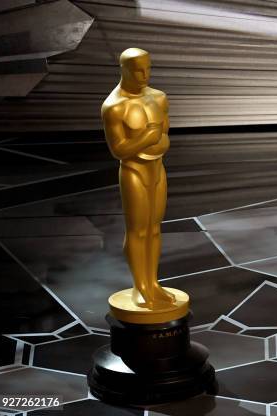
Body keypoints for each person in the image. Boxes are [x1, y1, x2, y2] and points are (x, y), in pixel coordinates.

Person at [102, 48, 176, 309]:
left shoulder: (159, 97)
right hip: (133, 171)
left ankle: (153, 282)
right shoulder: (114, 107)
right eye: (138, 70)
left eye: (148, 69)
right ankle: (140, 286)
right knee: (138, 230)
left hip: (157, 168)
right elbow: (118, 150)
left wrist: (155, 139)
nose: (144, 75)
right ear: (123, 69)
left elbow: (165, 136)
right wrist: (148, 136)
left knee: (155, 228)